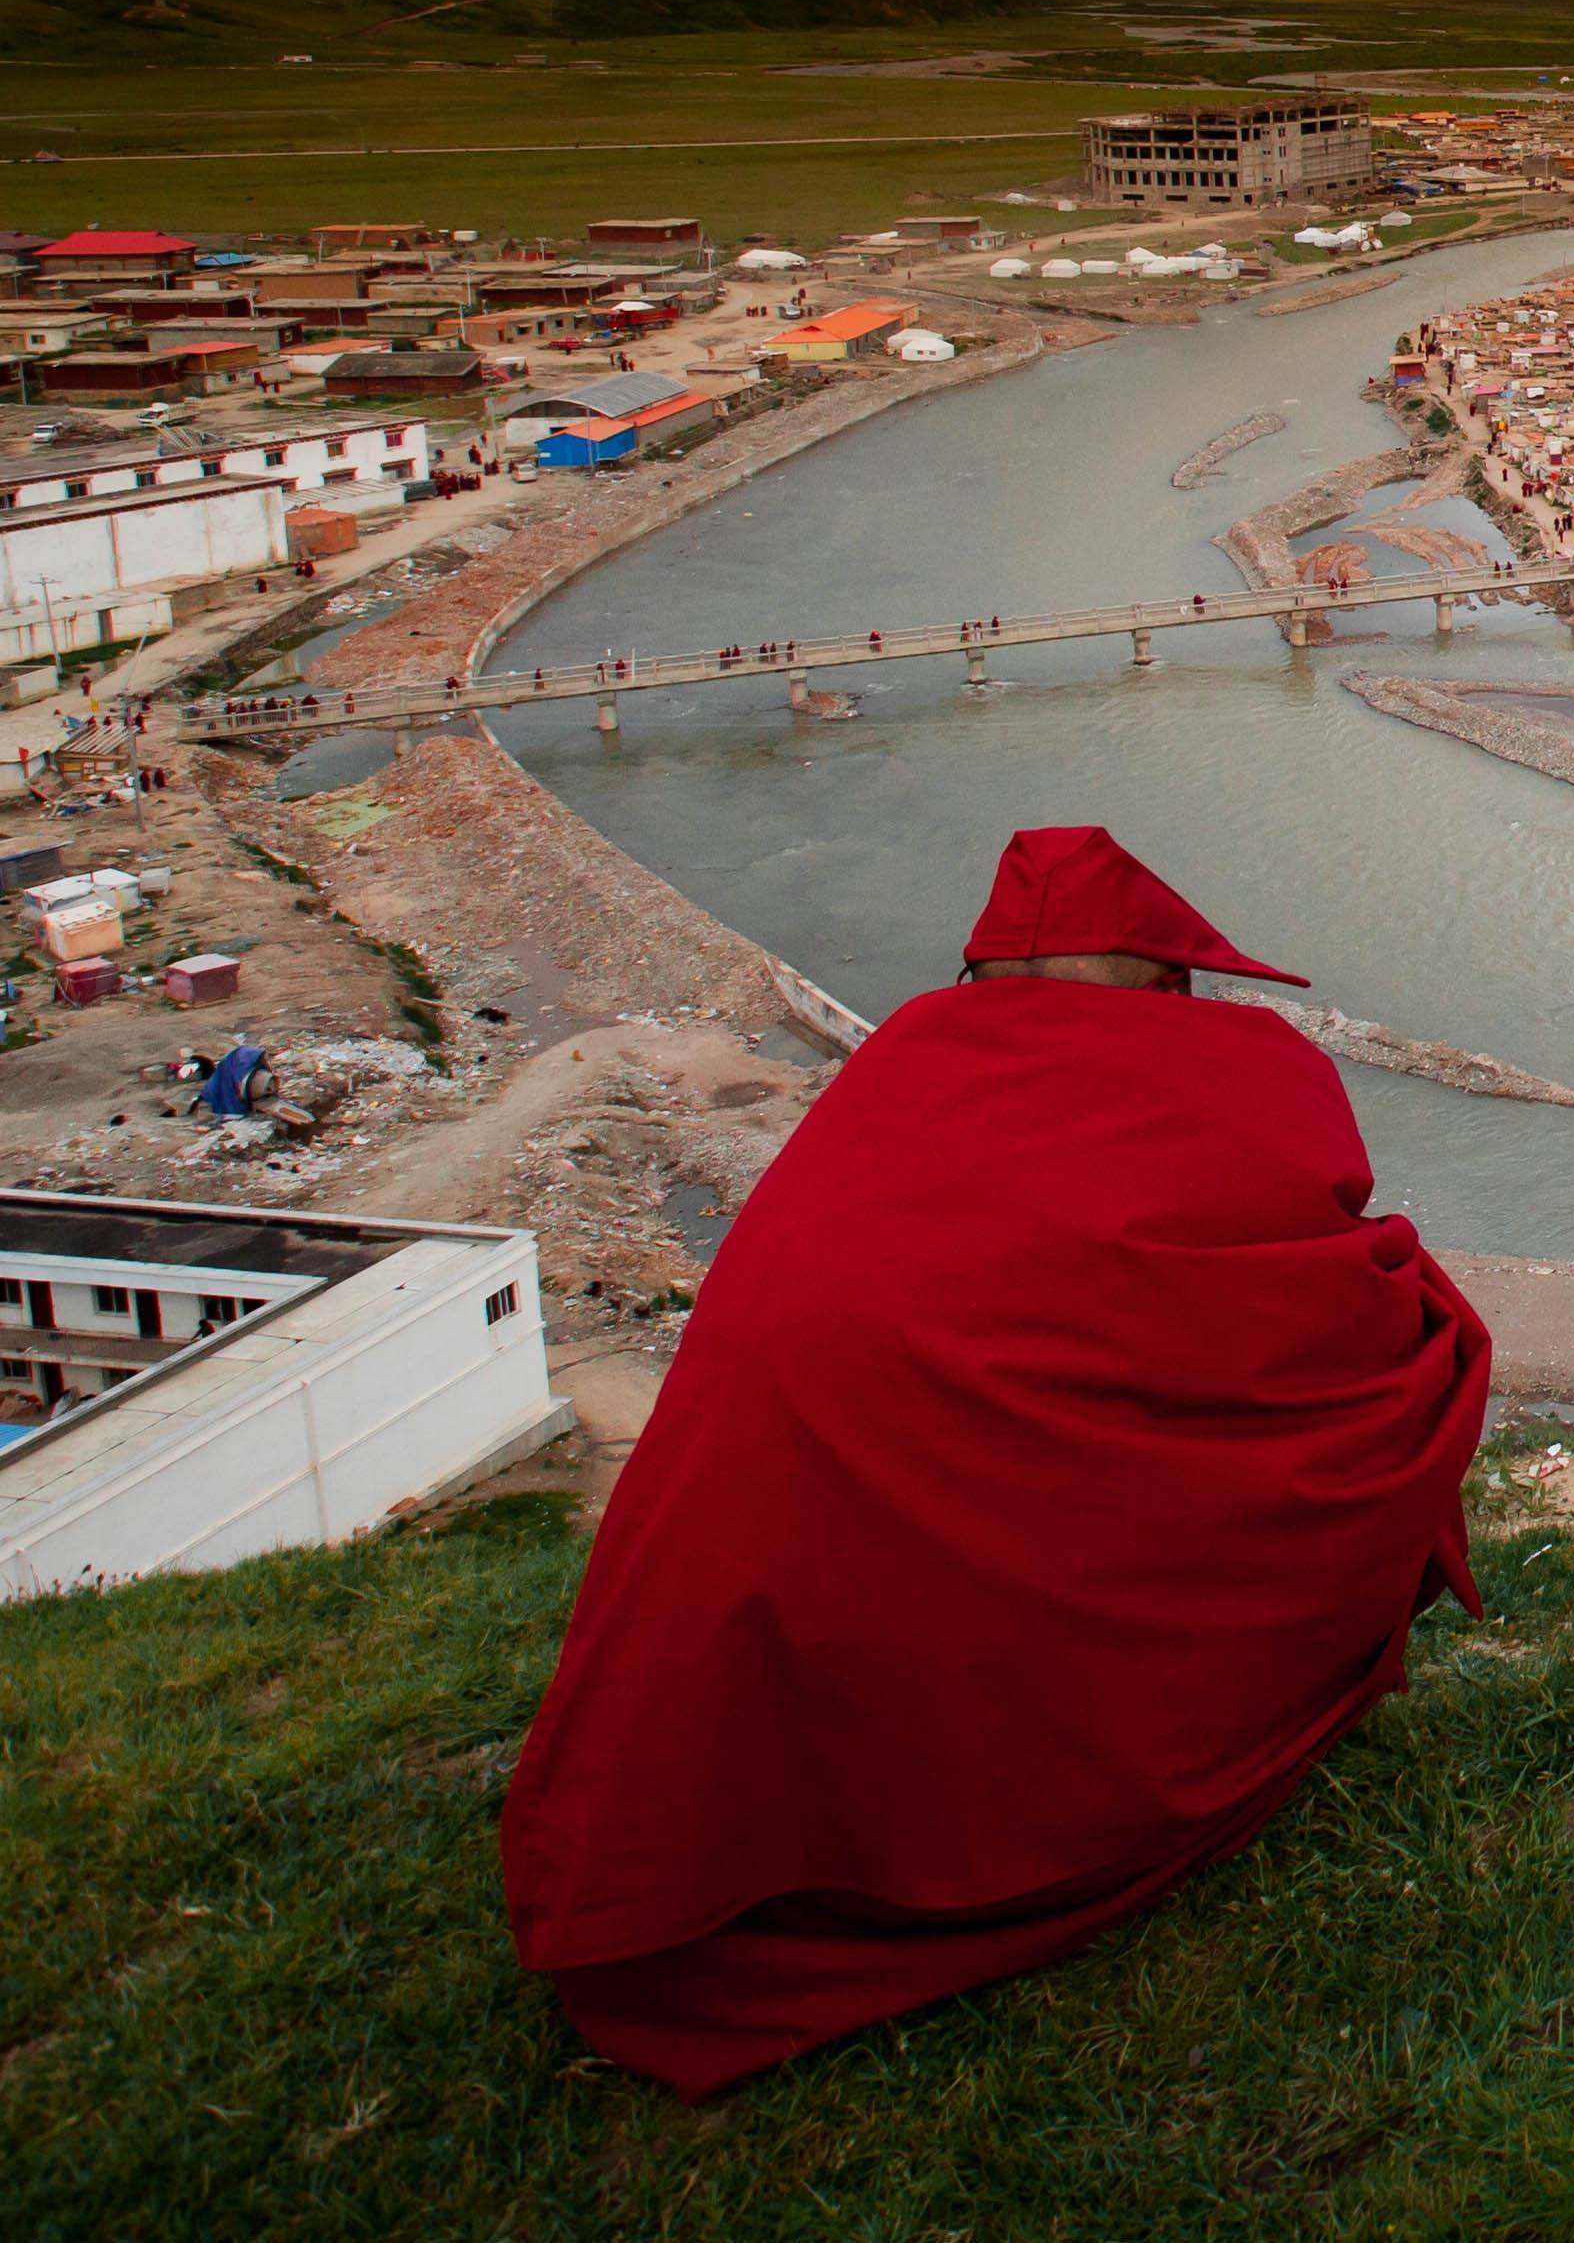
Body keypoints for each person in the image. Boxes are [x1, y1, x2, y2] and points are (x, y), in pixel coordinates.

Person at [501, 826, 1491, 2098]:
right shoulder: (1238, 1063)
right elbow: (1298, 1259)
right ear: (1172, 980)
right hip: (993, 1505)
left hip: (789, 1506)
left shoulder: (904, 1056)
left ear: (981, 974)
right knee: (1401, 1331)